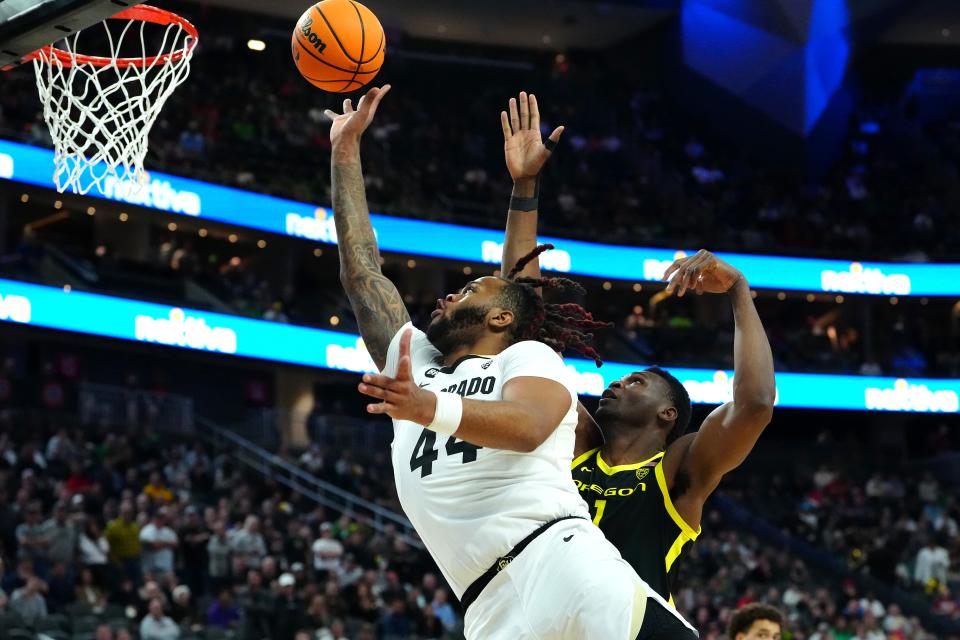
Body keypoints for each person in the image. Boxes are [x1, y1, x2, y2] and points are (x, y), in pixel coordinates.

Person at [326, 85, 658, 640]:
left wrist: (429, 406)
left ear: (501, 320)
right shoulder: (416, 361)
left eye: (469, 290)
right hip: (484, 603)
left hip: (559, 558)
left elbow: (529, 427)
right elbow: (362, 275)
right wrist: (344, 150)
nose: (447, 296)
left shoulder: (528, 357)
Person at [498, 92, 775, 637]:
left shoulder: (679, 471)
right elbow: (518, 320)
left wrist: (739, 289)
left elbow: (755, 405)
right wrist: (524, 189)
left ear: (668, 414)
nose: (619, 380)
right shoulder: (573, 440)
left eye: (638, 380)